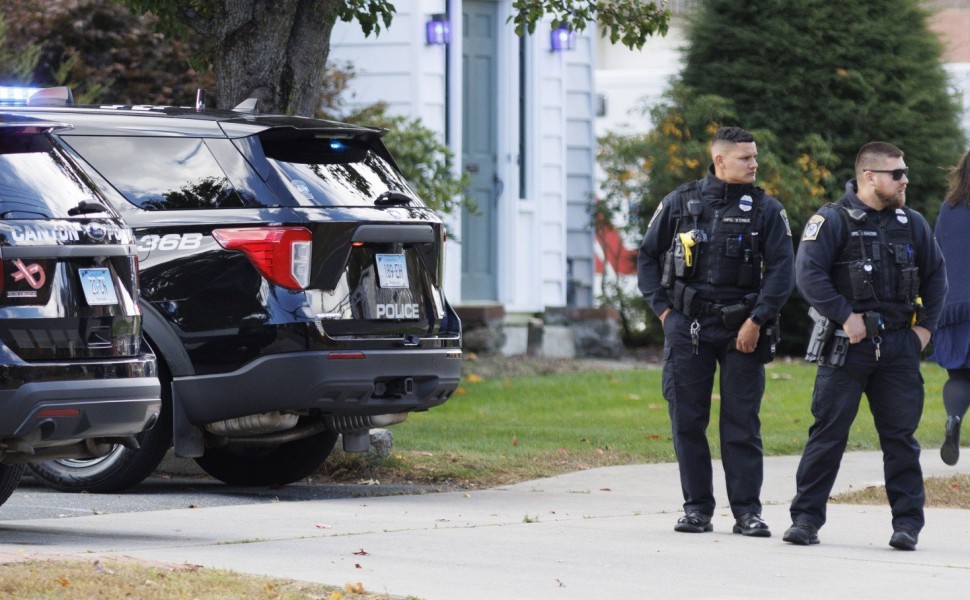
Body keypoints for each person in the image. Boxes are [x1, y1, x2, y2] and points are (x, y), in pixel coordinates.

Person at [784, 141, 947, 551]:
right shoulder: (832, 220)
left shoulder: (912, 223)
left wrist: (924, 331)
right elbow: (808, 274)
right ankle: (805, 519)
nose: (905, 179)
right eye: (897, 174)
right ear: (869, 177)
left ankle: (907, 525)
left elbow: (937, 278)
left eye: (905, 172)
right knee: (828, 434)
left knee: (901, 440)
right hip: (847, 348)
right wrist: (843, 314)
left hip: (898, 347)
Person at [637, 126, 795, 537]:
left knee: (741, 422)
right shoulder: (680, 203)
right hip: (687, 327)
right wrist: (664, 314)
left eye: (755, 157)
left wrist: (757, 320)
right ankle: (697, 509)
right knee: (687, 420)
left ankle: (747, 512)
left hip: (743, 329)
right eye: (746, 158)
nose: (754, 164)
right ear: (720, 160)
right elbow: (647, 259)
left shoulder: (766, 209)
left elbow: (782, 272)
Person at [932, 149, 970, 466]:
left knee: (959, 376)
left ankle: (954, 417)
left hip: (953, 309)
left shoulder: (949, 208)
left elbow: (936, 255)